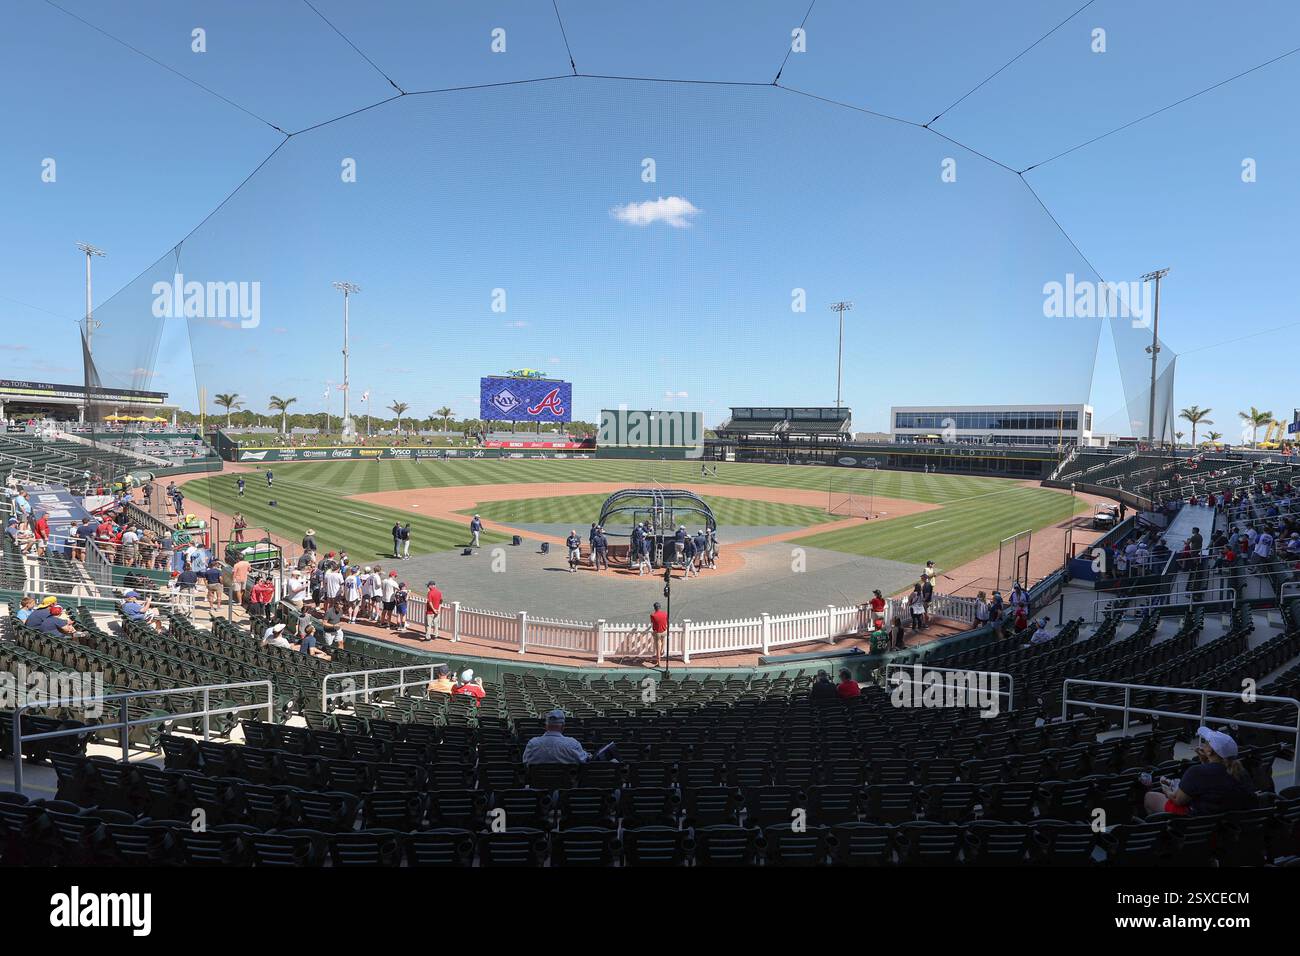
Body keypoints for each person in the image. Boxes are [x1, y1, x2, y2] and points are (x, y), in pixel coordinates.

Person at [1142, 726, 1256, 817]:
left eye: (1206, 742)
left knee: (1150, 797)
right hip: (1229, 824)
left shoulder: (1196, 772)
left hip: (1197, 821)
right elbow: (1214, 779)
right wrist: (1205, 762)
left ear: (1210, 752)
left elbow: (1178, 800)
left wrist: (1166, 790)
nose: (1203, 744)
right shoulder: (1241, 772)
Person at [521, 709, 590, 765]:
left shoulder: (532, 744)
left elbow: (525, 762)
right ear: (563, 726)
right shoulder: (572, 744)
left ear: (546, 726)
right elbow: (584, 759)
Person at [649, 601, 668, 666]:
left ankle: (659, 663)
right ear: (660, 607)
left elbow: (652, 624)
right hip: (664, 631)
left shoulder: (652, 615)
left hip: (657, 632)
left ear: (654, 608)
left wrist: (653, 631)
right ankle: (662, 650)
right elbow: (666, 622)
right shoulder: (665, 614)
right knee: (663, 641)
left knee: (658, 647)